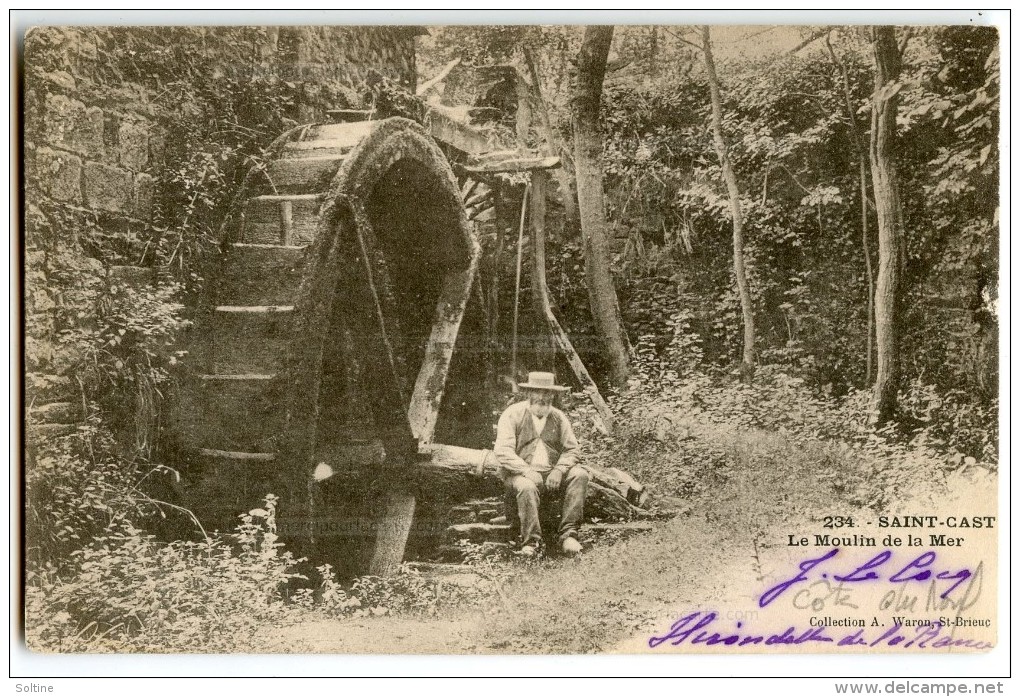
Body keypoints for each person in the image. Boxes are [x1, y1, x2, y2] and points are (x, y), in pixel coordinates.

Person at [493, 371, 589, 557]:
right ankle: (532, 542)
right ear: (528, 393)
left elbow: (572, 449)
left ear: (553, 395)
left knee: (580, 475)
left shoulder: (559, 417)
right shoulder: (512, 415)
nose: (542, 398)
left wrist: (559, 470)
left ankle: (569, 536)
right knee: (526, 486)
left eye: (547, 394)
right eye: (537, 392)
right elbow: (503, 451)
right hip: (518, 475)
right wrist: (527, 471)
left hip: (551, 472)